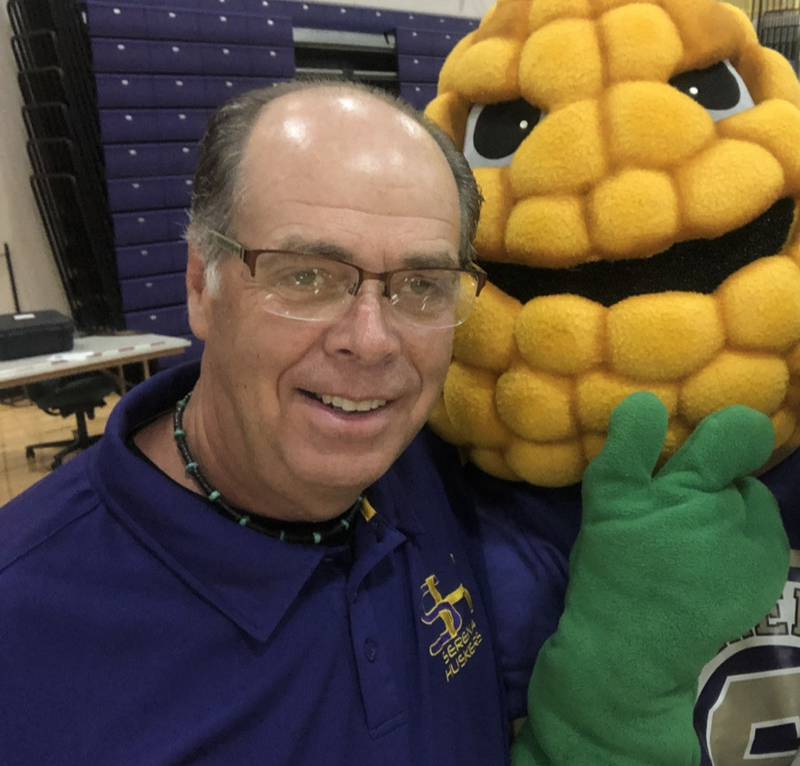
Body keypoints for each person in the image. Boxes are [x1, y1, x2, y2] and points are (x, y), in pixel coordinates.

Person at [0, 81, 787, 766]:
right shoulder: (31, 626)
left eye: (421, 283)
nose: (371, 341)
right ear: (202, 287)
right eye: (305, 276)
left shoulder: (428, 468)